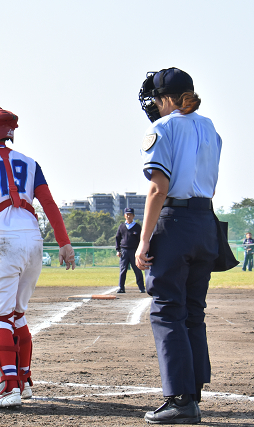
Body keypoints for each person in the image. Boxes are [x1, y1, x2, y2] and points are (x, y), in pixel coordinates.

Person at [0, 107, 75, 408]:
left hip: (2, 240)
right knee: (16, 314)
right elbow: (49, 204)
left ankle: (7, 389)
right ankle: (23, 382)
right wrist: (64, 244)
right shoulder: (30, 163)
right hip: (33, 240)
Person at [136, 68, 222, 424]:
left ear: (168, 99)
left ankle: (180, 399)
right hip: (206, 222)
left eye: (157, 99)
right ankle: (194, 391)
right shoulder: (210, 127)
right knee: (192, 311)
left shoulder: (163, 128)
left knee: (166, 309)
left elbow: (159, 188)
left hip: (177, 223)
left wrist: (143, 242)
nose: (155, 105)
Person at [115, 207, 145, 293]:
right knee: (123, 269)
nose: (129, 216)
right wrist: (118, 250)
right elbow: (117, 238)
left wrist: (141, 250)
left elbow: (141, 239)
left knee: (137, 269)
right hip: (124, 251)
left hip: (134, 251)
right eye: (127, 214)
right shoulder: (121, 226)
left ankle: (141, 287)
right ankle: (121, 287)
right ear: (124, 216)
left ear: (133, 216)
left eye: (130, 214)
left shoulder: (137, 227)